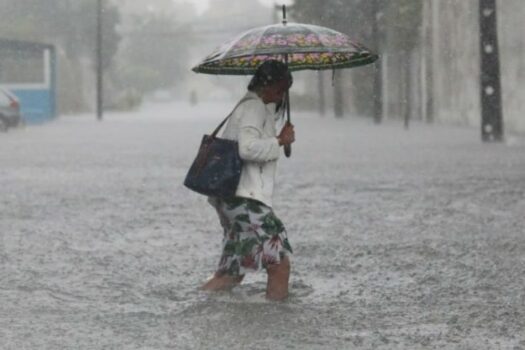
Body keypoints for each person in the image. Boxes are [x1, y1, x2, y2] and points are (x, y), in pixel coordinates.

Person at [201, 60, 295, 301]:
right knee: (279, 264)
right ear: (266, 85)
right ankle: (278, 328)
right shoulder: (254, 107)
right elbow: (248, 149)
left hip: (232, 198)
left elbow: (250, 145)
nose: (281, 95)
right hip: (246, 200)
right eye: (279, 89)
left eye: (284, 90)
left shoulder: (251, 106)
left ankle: (197, 307)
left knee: (231, 274)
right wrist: (279, 142)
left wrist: (277, 138)